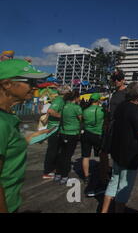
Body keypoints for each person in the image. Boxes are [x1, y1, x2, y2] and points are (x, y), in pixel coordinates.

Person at [0, 60, 52, 213]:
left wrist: (28, 138)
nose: (35, 86)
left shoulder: (9, 116)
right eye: (30, 81)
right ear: (7, 84)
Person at [101, 82, 138, 213]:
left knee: (114, 181)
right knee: (124, 185)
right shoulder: (137, 110)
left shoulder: (121, 106)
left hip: (117, 150)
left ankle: (104, 210)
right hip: (130, 154)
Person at [42, 85, 71, 180]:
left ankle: (52, 168)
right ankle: (47, 171)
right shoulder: (59, 100)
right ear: (65, 93)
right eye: (69, 92)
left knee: (57, 150)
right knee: (52, 150)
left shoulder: (62, 100)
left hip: (57, 128)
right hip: (53, 129)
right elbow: (50, 111)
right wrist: (63, 117)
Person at [54, 90, 82, 184]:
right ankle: (64, 175)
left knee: (61, 154)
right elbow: (81, 119)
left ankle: (58, 173)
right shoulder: (76, 108)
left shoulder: (64, 107)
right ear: (76, 98)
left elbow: (61, 118)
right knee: (67, 156)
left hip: (63, 132)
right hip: (72, 133)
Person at [81, 93, 105, 197]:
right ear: (98, 100)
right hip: (98, 134)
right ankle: (102, 174)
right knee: (101, 155)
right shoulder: (101, 110)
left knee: (85, 156)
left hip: (86, 134)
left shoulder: (85, 110)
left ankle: (86, 177)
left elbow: (81, 121)